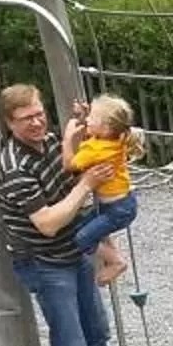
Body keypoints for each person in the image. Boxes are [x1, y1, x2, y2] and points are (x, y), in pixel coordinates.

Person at [0, 82, 118, 346]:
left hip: (75, 250)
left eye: (38, 113)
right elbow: (48, 222)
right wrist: (86, 184)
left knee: (96, 332)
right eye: (25, 118)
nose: (35, 122)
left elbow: (74, 163)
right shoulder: (13, 168)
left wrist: (84, 128)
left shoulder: (50, 141)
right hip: (45, 261)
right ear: (9, 123)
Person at [66, 92, 144, 286]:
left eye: (92, 117)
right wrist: (84, 117)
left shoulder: (98, 150)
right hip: (120, 204)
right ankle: (110, 256)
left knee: (82, 238)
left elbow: (69, 165)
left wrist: (67, 139)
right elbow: (92, 132)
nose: (88, 120)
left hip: (117, 209)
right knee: (78, 227)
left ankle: (116, 262)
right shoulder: (116, 137)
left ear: (106, 127)